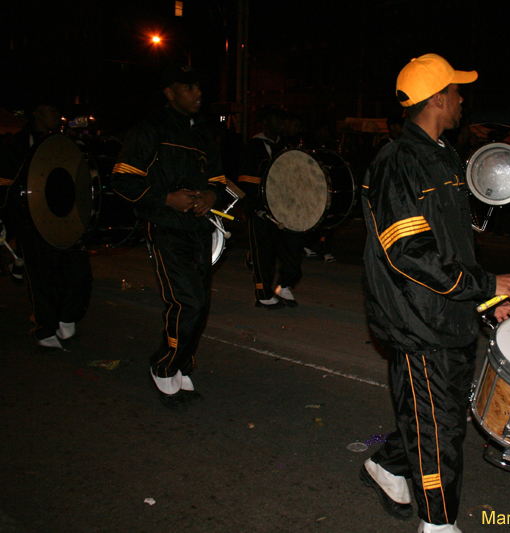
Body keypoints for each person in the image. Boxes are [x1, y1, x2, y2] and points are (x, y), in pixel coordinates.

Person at [359, 53, 510, 533]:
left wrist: (486, 299)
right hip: (417, 319)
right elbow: (409, 252)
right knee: (438, 427)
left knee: (441, 415)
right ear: (437, 98)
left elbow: (454, 249)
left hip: (448, 312)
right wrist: (482, 285)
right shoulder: (397, 162)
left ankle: (390, 466)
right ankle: (437, 522)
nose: (461, 100)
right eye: (456, 92)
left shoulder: (443, 156)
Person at [111, 65, 227, 410]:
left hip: (198, 228)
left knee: (201, 303)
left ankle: (182, 362)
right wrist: (166, 198)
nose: (198, 93)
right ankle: (164, 364)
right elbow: (122, 179)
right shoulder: (150, 129)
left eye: (198, 87)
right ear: (169, 93)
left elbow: (218, 180)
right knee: (186, 300)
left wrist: (210, 195)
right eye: (188, 87)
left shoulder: (205, 134)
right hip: (165, 226)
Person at [0, 98, 93, 349]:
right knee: (42, 279)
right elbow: (7, 187)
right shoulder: (18, 145)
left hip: (66, 220)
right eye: (50, 109)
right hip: (32, 221)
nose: (56, 113)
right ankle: (45, 328)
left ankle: (67, 317)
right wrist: (5, 223)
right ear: (36, 113)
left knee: (78, 272)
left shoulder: (65, 141)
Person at [237, 105, 304, 309]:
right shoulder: (255, 146)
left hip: (285, 209)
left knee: (292, 249)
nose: (281, 123)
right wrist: (259, 202)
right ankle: (263, 293)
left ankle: (284, 285)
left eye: (282, 119)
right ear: (265, 122)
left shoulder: (285, 145)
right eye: (276, 118)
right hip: (261, 209)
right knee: (264, 253)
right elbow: (246, 180)